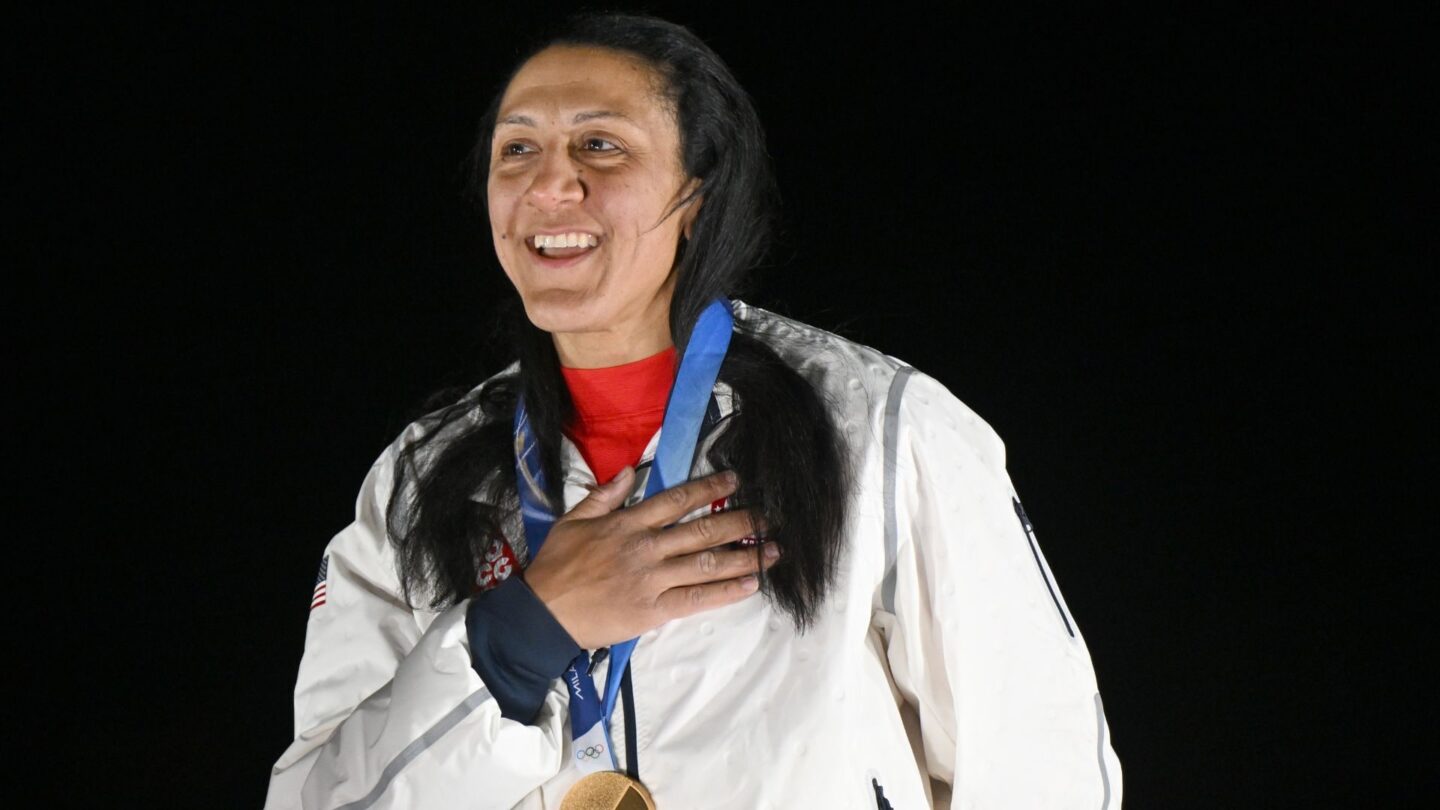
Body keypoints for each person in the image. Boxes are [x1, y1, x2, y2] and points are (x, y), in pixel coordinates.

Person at [265, 13, 1121, 810]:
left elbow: (1042, 770)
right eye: (516, 150)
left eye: (600, 145)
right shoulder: (420, 481)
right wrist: (521, 634)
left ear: (698, 195)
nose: (549, 184)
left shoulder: (882, 429)